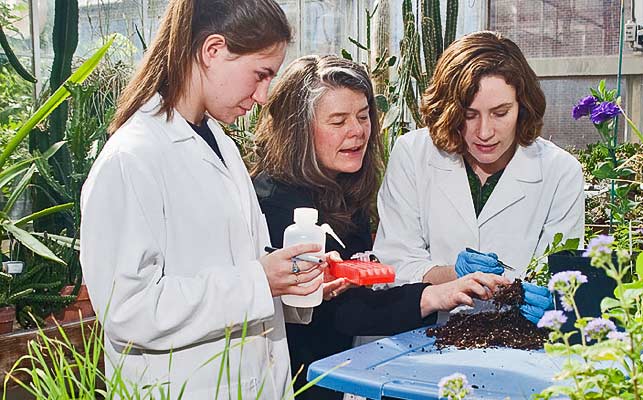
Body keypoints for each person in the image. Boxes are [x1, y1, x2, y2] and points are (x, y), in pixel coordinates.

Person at [80, 0, 324, 398]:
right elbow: (127, 310)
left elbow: (238, 259)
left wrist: (295, 278)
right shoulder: (131, 157)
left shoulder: (220, 145)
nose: (263, 96)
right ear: (213, 50)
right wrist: (258, 281)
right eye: (260, 75)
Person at [251, 55, 510, 400]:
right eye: (338, 121)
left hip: (337, 372)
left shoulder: (341, 189)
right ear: (297, 130)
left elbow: (360, 284)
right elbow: (339, 310)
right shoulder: (275, 203)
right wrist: (436, 294)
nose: (357, 131)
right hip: (296, 382)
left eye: (363, 116)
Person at [373, 31, 586, 324]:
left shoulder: (560, 171)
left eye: (500, 113)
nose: (484, 132)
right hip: (419, 331)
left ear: (522, 107)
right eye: (469, 115)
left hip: (515, 336)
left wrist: (553, 300)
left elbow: (561, 276)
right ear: (448, 110)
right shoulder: (413, 153)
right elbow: (393, 264)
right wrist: (454, 276)